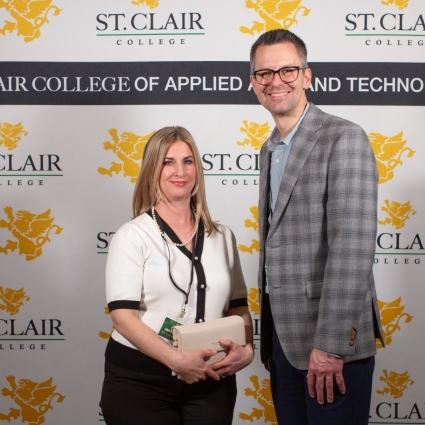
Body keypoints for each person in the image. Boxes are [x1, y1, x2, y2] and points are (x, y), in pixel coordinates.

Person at [250, 29, 384, 424]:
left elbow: (352, 249)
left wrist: (330, 346)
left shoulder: (344, 137)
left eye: (287, 70)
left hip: (331, 343)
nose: (276, 81)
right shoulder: (269, 148)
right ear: (253, 82)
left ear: (307, 76)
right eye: (264, 73)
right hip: (283, 337)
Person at [100, 126, 254, 425]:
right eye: (168, 162)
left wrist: (247, 350)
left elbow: (238, 309)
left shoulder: (222, 236)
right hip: (140, 382)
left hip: (211, 379)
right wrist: (178, 362)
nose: (179, 171)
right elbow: (122, 318)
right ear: (152, 170)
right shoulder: (132, 235)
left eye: (188, 161)